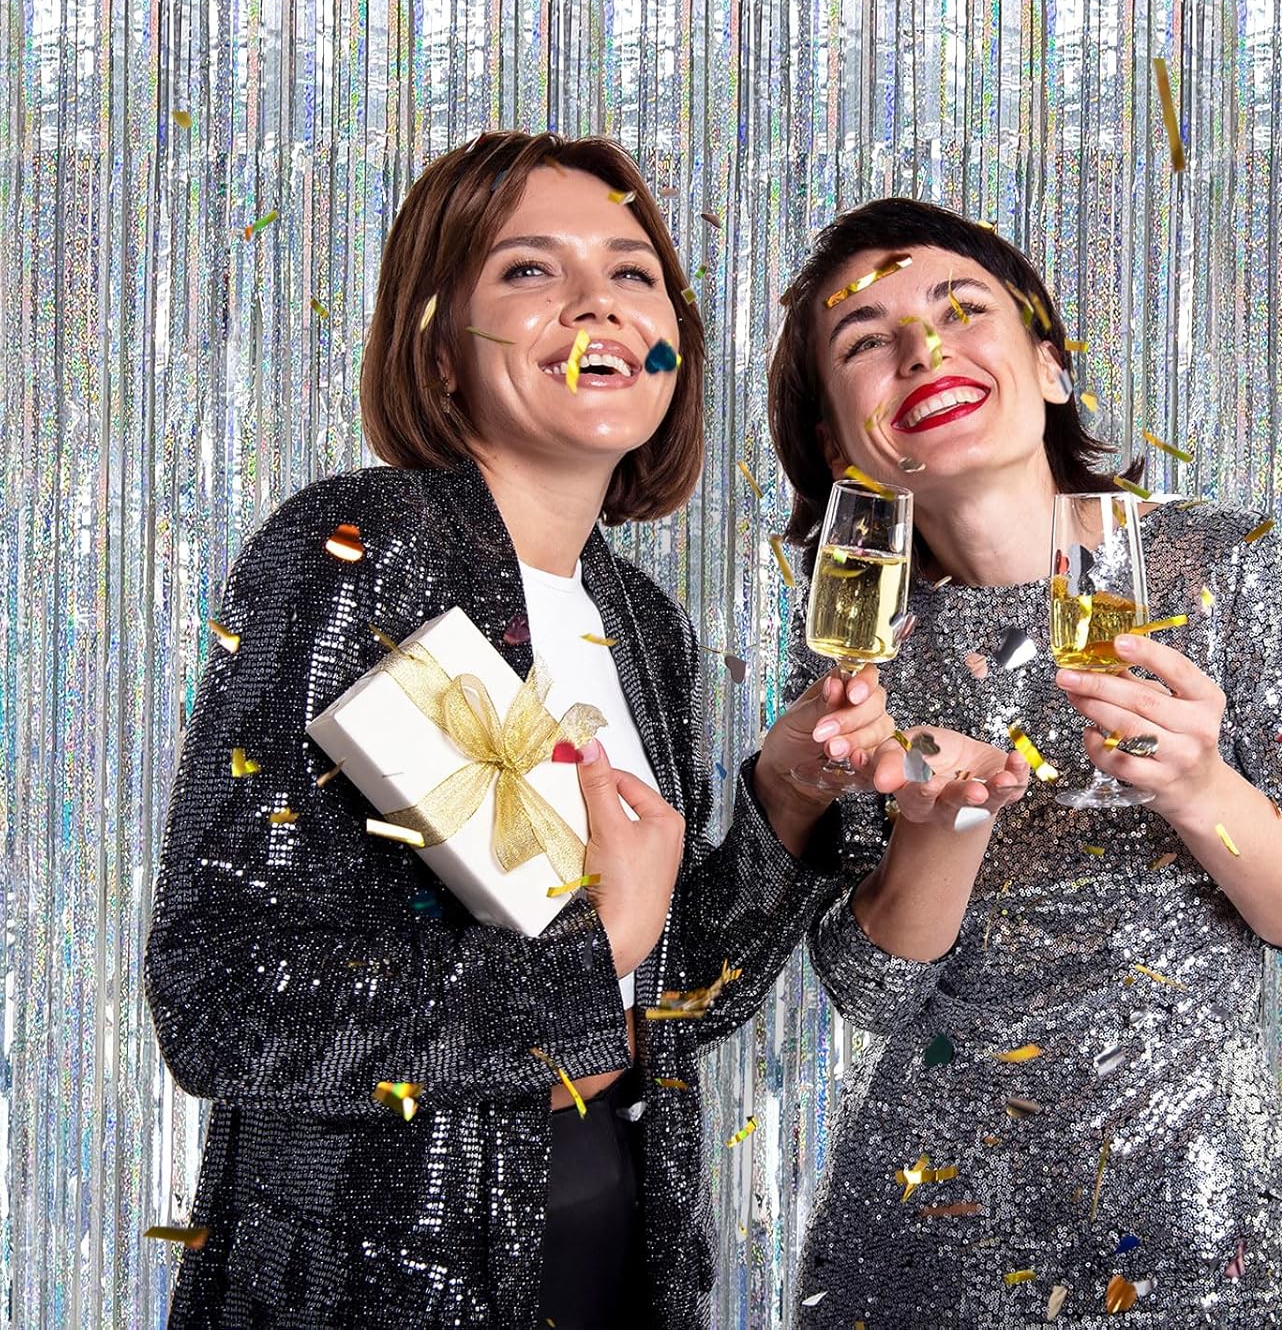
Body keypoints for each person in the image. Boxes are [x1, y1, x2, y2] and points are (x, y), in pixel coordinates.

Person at [144, 131, 898, 1329]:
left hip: (613, 1269)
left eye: (634, 273)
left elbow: (665, 1004)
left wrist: (792, 795)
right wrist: (593, 954)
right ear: (441, 348)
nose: (599, 301)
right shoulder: (358, 552)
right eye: (530, 270)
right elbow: (222, 1004)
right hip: (374, 1293)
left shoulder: (640, 623)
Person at [765, 198, 1282, 1327]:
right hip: (919, 1237)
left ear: (1051, 367)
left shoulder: (1220, 567)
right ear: (837, 443)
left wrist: (1201, 787)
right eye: (865, 340)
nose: (923, 350)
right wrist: (945, 823)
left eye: (963, 310)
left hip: (1190, 1229)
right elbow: (869, 989)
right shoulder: (858, 651)